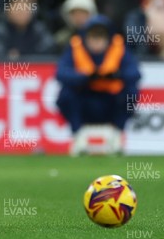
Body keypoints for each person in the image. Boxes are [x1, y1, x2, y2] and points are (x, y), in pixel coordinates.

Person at [56, 15, 141, 155]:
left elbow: (135, 73)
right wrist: (85, 77)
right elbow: (61, 73)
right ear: (86, 37)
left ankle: (117, 135)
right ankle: (78, 135)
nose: (97, 41)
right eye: (93, 36)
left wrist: (117, 75)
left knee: (131, 92)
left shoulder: (119, 47)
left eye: (100, 36)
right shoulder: (75, 46)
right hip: (85, 101)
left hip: (110, 102)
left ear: (107, 38)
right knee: (65, 94)